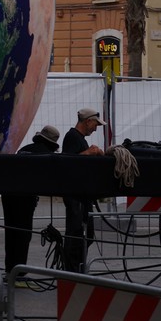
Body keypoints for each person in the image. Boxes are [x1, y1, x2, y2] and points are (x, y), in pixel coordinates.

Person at [0, 124, 60, 280]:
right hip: (24, 198)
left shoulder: (24, 149)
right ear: (52, 143)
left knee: (11, 233)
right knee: (23, 235)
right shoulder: (46, 155)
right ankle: (19, 273)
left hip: (8, 195)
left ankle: (10, 270)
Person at [62, 108, 107, 273]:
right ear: (88, 121)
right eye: (95, 125)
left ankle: (77, 268)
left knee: (86, 235)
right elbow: (67, 163)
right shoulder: (72, 137)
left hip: (82, 196)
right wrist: (89, 152)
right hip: (75, 196)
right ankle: (72, 271)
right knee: (76, 234)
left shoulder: (79, 139)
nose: (95, 129)